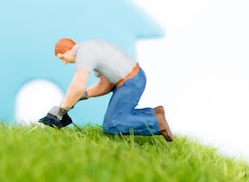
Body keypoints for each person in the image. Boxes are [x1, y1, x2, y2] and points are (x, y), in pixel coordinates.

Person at [39, 38, 173, 141]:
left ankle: (156, 123)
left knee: (113, 125)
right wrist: (83, 95)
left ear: (68, 50)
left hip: (130, 82)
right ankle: (154, 113)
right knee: (117, 118)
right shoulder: (90, 48)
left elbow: (77, 85)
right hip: (134, 78)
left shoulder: (83, 55)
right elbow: (105, 84)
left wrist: (63, 109)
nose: (65, 62)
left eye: (63, 57)